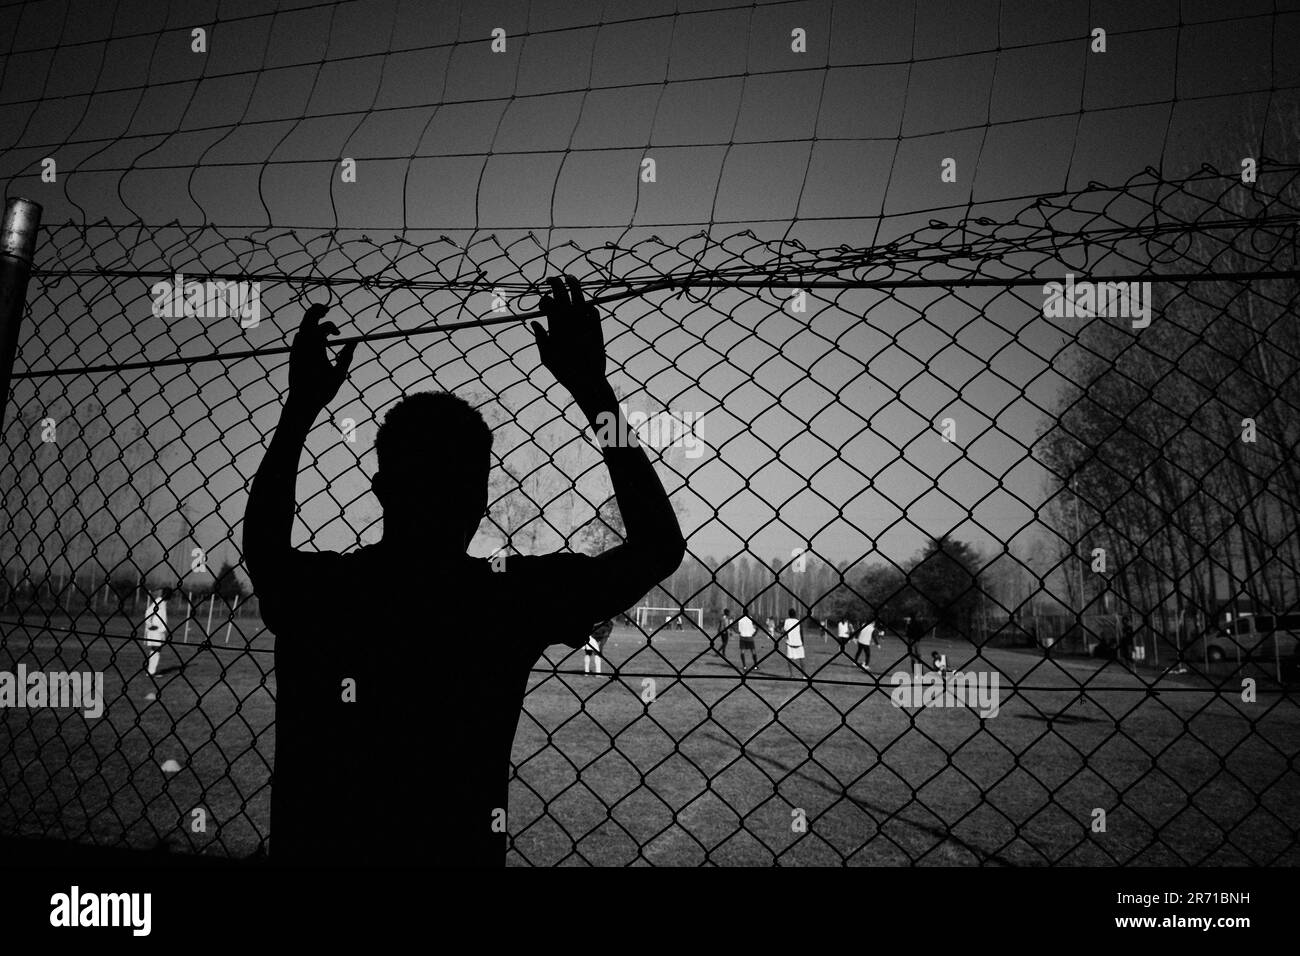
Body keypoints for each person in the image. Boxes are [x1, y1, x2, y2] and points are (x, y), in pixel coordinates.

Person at [244, 277, 686, 866]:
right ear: (479, 498)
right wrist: (591, 387)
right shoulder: (504, 601)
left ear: (380, 490)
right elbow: (658, 546)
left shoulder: (324, 593)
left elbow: (264, 544)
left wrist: (300, 406)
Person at [142, 587, 169, 678]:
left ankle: (151, 671)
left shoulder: (163, 602)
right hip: (155, 630)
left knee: (156, 650)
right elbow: (148, 612)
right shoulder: (159, 601)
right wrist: (149, 625)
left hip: (160, 631)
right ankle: (151, 671)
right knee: (156, 649)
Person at [782, 607, 806, 677]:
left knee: (789, 659)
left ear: (789, 614)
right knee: (801, 659)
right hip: (799, 643)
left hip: (790, 643)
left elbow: (784, 631)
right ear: (795, 614)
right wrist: (803, 642)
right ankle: (804, 676)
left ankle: (791, 675)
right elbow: (801, 633)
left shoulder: (786, 621)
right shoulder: (798, 621)